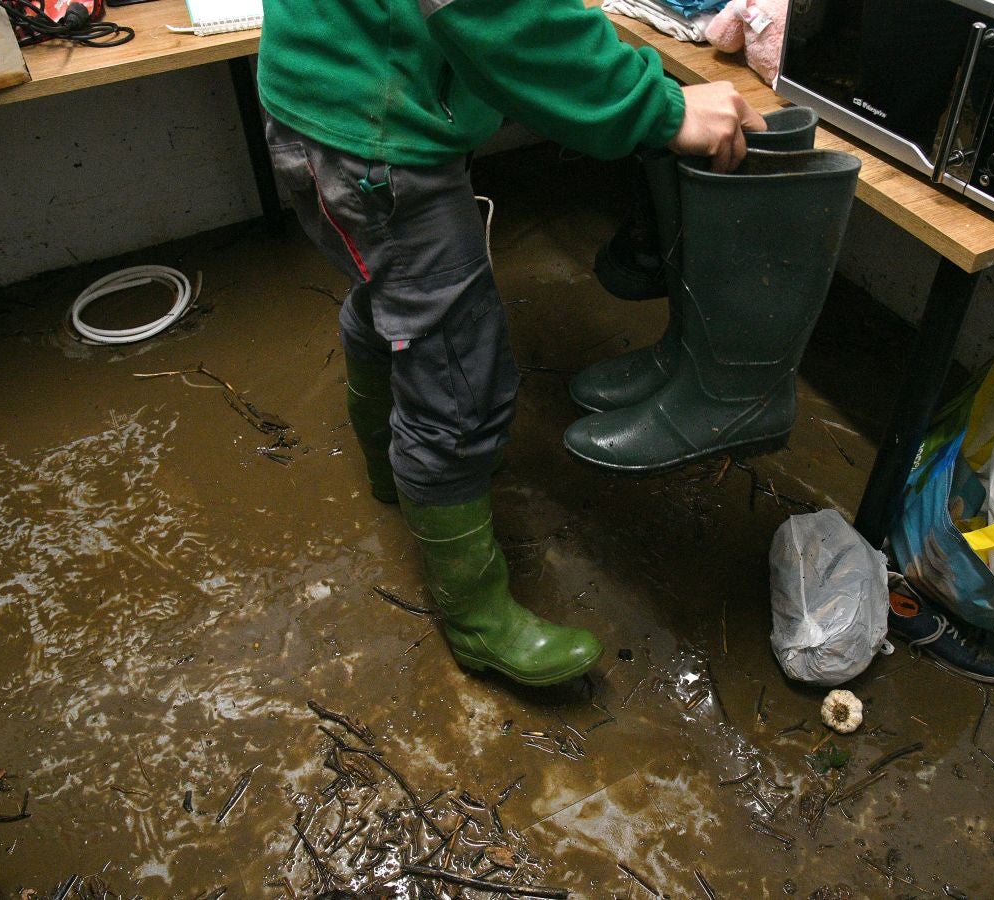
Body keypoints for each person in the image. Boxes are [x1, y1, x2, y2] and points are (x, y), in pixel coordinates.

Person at [257, 0, 765, 687]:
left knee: (393, 295)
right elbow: (494, 8)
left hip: (329, 95)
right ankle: (476, 618)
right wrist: (658, 106)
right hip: (377, 137)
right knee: (461, 381)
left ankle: (391, 471)